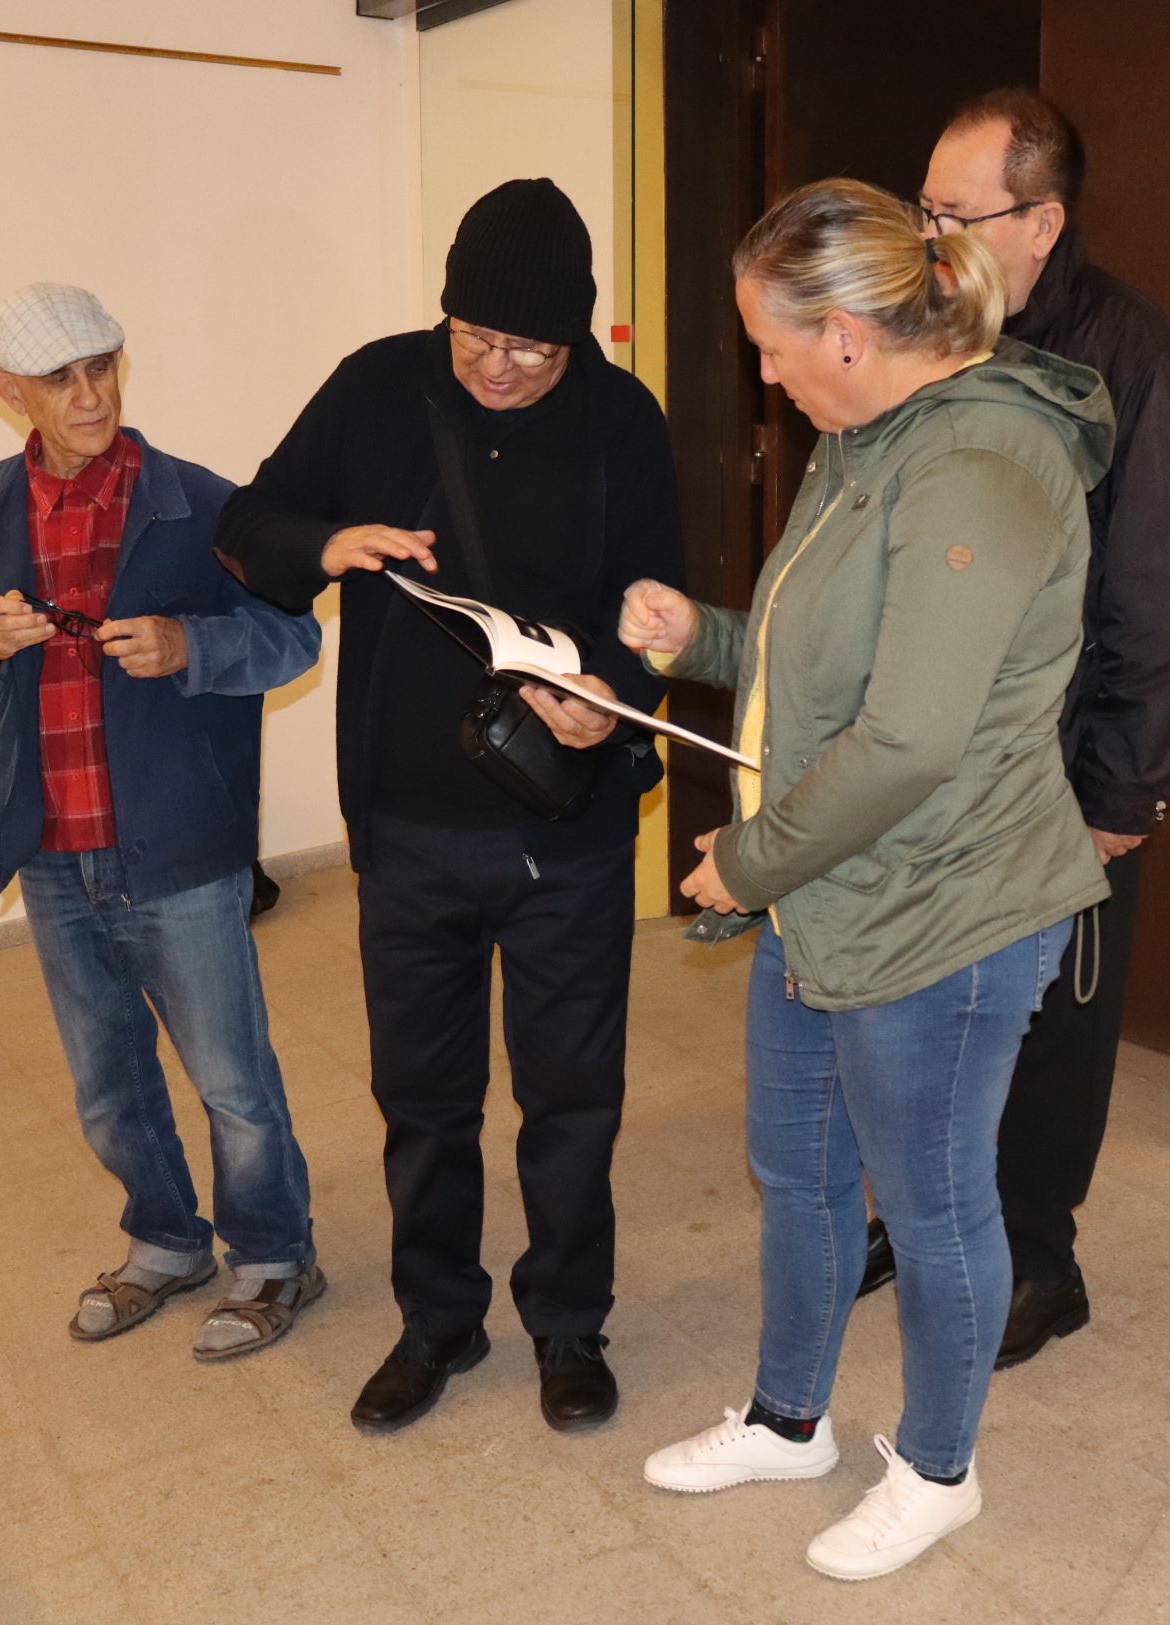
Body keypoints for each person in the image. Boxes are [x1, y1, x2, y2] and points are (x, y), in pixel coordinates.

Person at [630, 179, 1113, 1580]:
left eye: (772, 347)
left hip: (945, 906)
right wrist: (700, 636)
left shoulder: (981, 462)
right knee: (799, 1169)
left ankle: (940, 1467)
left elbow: (908, 739)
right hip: (833, 888)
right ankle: (789, 1419)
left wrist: (744, 862)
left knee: (937, 1199)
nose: (765, 375)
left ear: (845, 336)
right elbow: (818, 670)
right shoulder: (862, 442)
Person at [214, 180, 684, 1436]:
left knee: (571, 1096)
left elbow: (659, 604)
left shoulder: (622, 420)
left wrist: (612, 690)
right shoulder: (377, 386)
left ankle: (569, 1321)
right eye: (477, 336)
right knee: (422, 1099)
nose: (498, 366)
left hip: (565, 827)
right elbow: (245, 525)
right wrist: (326, 546)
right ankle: (438, 1319)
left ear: (576, 334)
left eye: (531, 346)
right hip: (410, 824)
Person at [0, 283, 326, 1359]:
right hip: (50, 849)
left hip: (180, 843)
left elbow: (292, 639)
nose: (89, 394)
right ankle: (167, 1242)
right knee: (107, 1085)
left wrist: (193, 646)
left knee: (231, 1079)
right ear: (8, 392)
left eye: (102, 366)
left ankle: (275, 1256)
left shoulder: (201, 504)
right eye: (59, 378)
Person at [894, 86, 1170, 1367]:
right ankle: (927, 1219)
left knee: (1050, 1029)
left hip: (1062, 772)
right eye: (923, 209)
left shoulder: (1129, 360)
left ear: (1040, 222)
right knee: (926, 1005)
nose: (931, 239)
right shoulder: (933, 332)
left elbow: (1168, 595)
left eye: (957, 215)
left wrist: (1120, 796)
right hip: (937, 756)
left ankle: (1039, 1259)